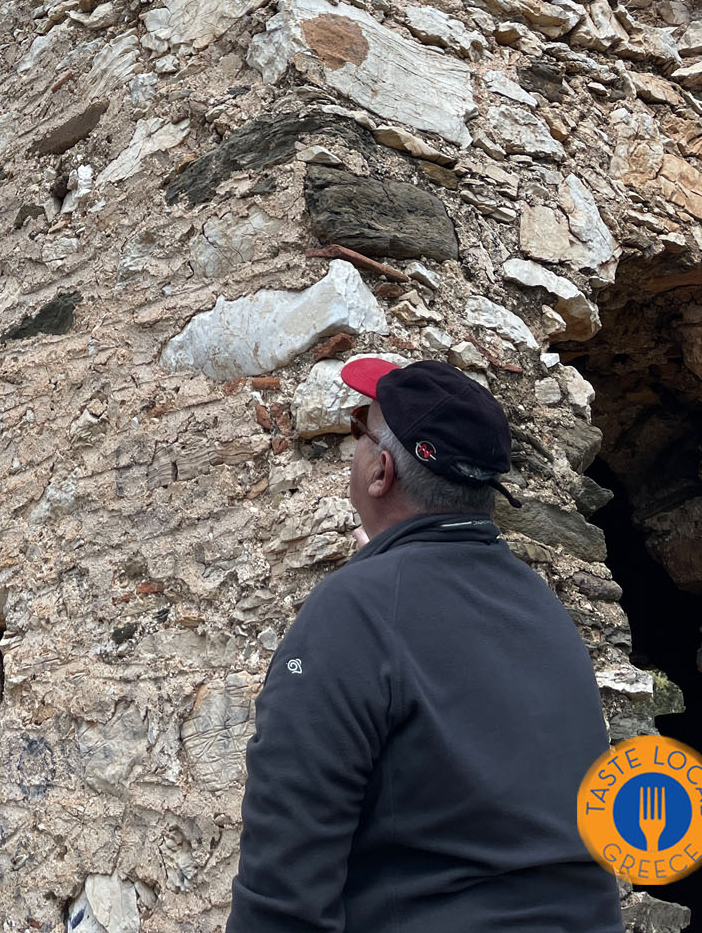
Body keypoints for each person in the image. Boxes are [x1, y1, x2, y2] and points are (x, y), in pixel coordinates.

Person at [226, 356, 623, 933]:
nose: (354, 445)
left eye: (358, 428)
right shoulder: (545, 610)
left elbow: (285, 878)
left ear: (380, 471)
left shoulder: (356, 608)